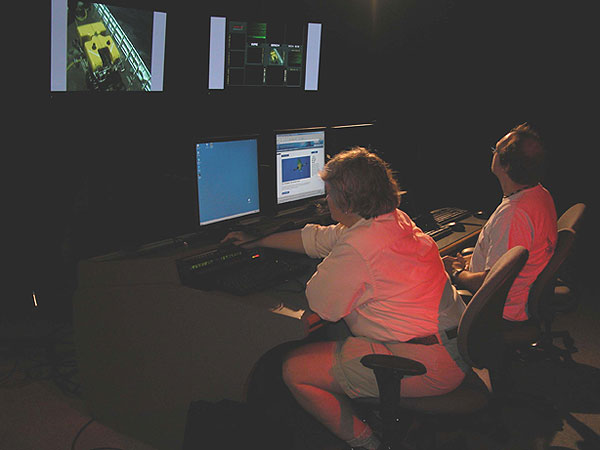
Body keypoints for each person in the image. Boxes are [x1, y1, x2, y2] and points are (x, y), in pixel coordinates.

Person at [223, 148, 468, 450]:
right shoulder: (393, 220)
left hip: (428, 365)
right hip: (456, 345)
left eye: (328, 194)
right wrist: (258, 241)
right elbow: (320, 237)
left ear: (347, 201)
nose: (325, 201)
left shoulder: (359, 246)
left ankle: (369, 444)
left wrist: (331, 261)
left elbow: (322, 304)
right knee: (340, 333)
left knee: (294, 369)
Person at [443, 123, 557, 322]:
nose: (493, 153)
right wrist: (470, 263)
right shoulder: (540, 194)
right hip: (517, 295)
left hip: (498, 308)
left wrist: (456, 272)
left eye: (495, 150)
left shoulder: (513, 215)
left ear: (505, 166)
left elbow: (490, 284)